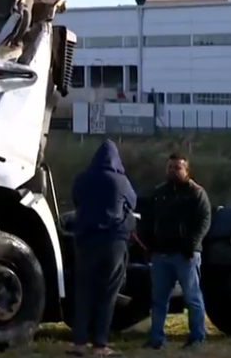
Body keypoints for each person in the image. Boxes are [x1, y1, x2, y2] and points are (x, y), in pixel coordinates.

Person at [67, 139, 137, 357]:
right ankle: (100, 344)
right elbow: (132, 203)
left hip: (86, 241)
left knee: (84, 292)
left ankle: (79, 343)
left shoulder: (82, 179)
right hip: (113, 242)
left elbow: (77, 201)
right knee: (107, 294)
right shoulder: (121, 181)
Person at [139, 153, 211, 350]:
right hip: (161, 255)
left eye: (178, 167)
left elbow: (204, 221)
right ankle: (156, 339)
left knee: (192, 297)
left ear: (186, 170)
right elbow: (147, 219)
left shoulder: (196, 193)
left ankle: (197, 336)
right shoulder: (159, 193)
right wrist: (148, 244)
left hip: (185, 255)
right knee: (159, 300)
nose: (173, 171)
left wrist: (191, 245)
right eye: (170, 167)